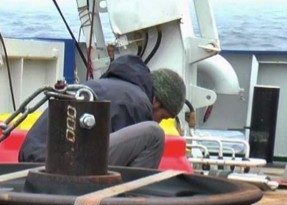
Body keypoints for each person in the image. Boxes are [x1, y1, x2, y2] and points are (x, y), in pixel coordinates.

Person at [18, 54, 186, 168]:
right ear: (156, 101)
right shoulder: (138, 103)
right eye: (162, 117)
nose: (158, 120)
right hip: (56, 165)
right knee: (153, 135)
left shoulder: (109, 87)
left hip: (31, 160)